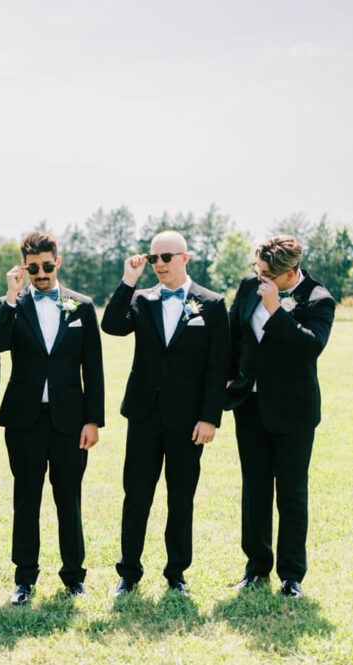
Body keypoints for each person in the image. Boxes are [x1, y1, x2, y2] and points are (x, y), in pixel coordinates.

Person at [101, 230, 228, 597]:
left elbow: (218, 366)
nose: (158, 264)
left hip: (188, 420)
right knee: (136, 495)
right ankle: (128, 573)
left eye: (166, 258)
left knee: (181, 496)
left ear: (185, 258)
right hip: (144, 415)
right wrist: (128, 280)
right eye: (153, 258)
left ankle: (176, 573)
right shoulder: (142, 299)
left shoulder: (212, 303)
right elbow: (111, 325)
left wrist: (210, 417)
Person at [0, 231, 104, 605]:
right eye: (33, 267)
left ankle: (74, 577)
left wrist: (93, 421)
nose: (41, 273)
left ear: (58, 262)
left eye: (47, 266)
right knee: (26, 499)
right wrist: (8, 296)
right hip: (24, 420)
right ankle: (24, 579)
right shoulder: (14, 304)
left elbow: (94, 368)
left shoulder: (81, 306)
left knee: (69, 499)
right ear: (24, 266)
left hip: (71, 421)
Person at [226, 234, 335, 598]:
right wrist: (229, 378)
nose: (259, 278)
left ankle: (291, 577)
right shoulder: (248, 286)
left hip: (294, 412)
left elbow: (308, 348)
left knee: (291, 494)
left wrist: (275, 309)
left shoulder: (318, 300)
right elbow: (233, 335)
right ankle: (256, 568)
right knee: (254, 490)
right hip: (250, 407)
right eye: (257, 271)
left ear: (291, 274)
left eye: (267, 275)